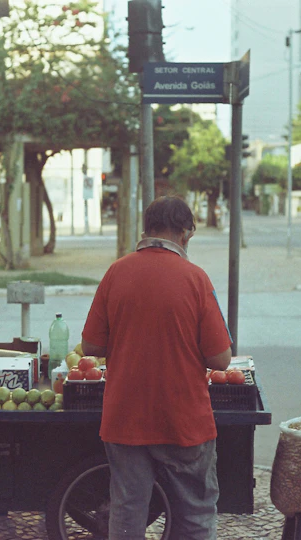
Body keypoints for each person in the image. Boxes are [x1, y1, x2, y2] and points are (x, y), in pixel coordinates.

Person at [81, 196, 232, 539]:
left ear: (147, 230)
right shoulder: (195, 278)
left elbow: (92, 347)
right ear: (184, 234)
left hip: (125, 418)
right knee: (194, 512)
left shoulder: (116, 272)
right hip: (182, 419)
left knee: (128, 510)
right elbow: (221, 360)